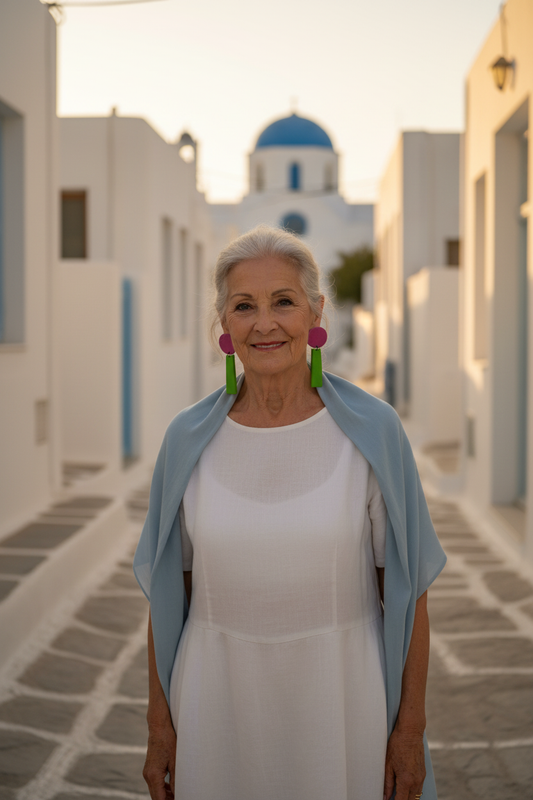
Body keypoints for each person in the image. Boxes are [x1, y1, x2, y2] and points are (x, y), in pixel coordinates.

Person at [133, 225, 446, 800]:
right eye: (244, 306)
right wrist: (159, 727)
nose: (264, 323)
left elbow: (408, 590)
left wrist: (409, 729)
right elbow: (166, 594)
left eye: (284, 301)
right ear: (224, 326)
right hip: (214, 702)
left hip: (342, 700)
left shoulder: (373, 433)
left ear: (315, 312)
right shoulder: (186, 440)